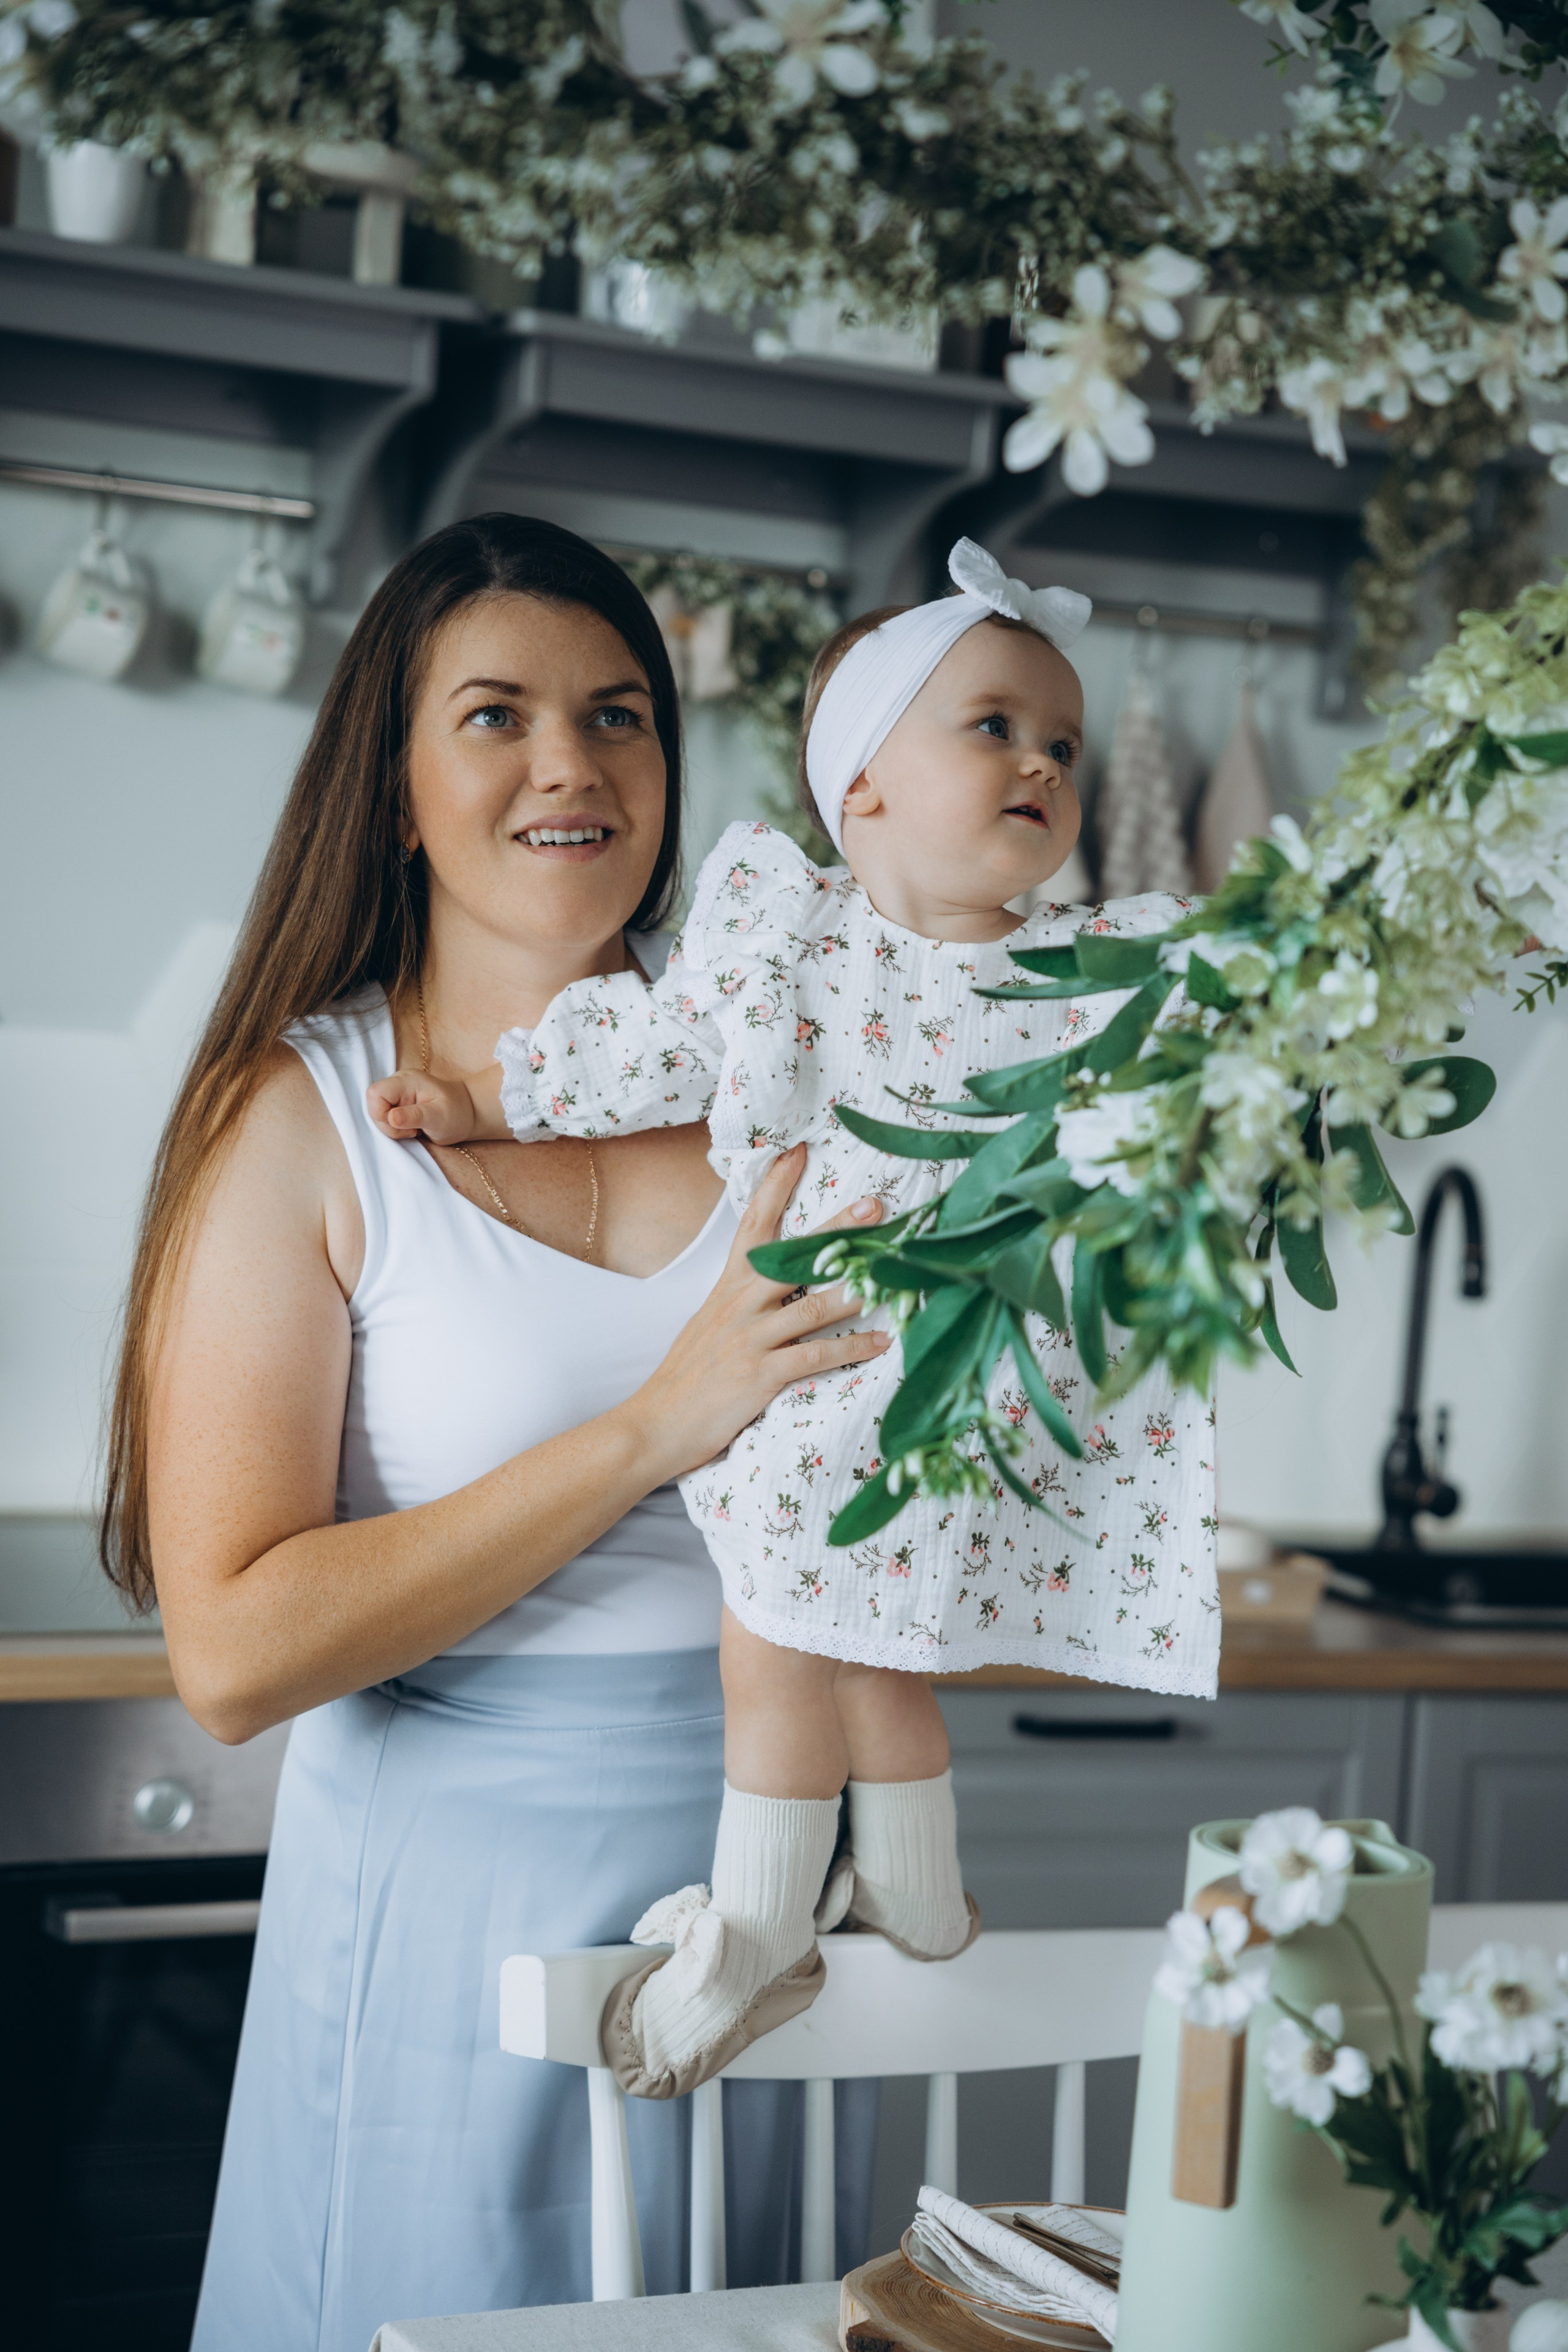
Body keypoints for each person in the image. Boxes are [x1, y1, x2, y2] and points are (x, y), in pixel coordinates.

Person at [99, 513, 891, 2352]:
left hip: (760, 1898)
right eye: (497, 715)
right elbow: (229, 1654)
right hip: (455, 1921)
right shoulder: (296, 1125)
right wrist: (653, 1426)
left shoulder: (789, 1093)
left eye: (622, 716)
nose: (573, 763)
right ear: (392, 788)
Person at [366, 538, 1221, 2105]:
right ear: (864, 787)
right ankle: (913, 1890)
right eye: (992, 728)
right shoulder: (795, 937)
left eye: (1058, 745)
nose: (1038, 760)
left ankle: (759, 1922)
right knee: (856, 1636)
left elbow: (1260, 1004)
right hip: (852, 1360)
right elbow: (646, 1050)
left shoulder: (1101, 967)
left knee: (767, 1623)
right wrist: (484, 1102)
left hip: (946, 1363)